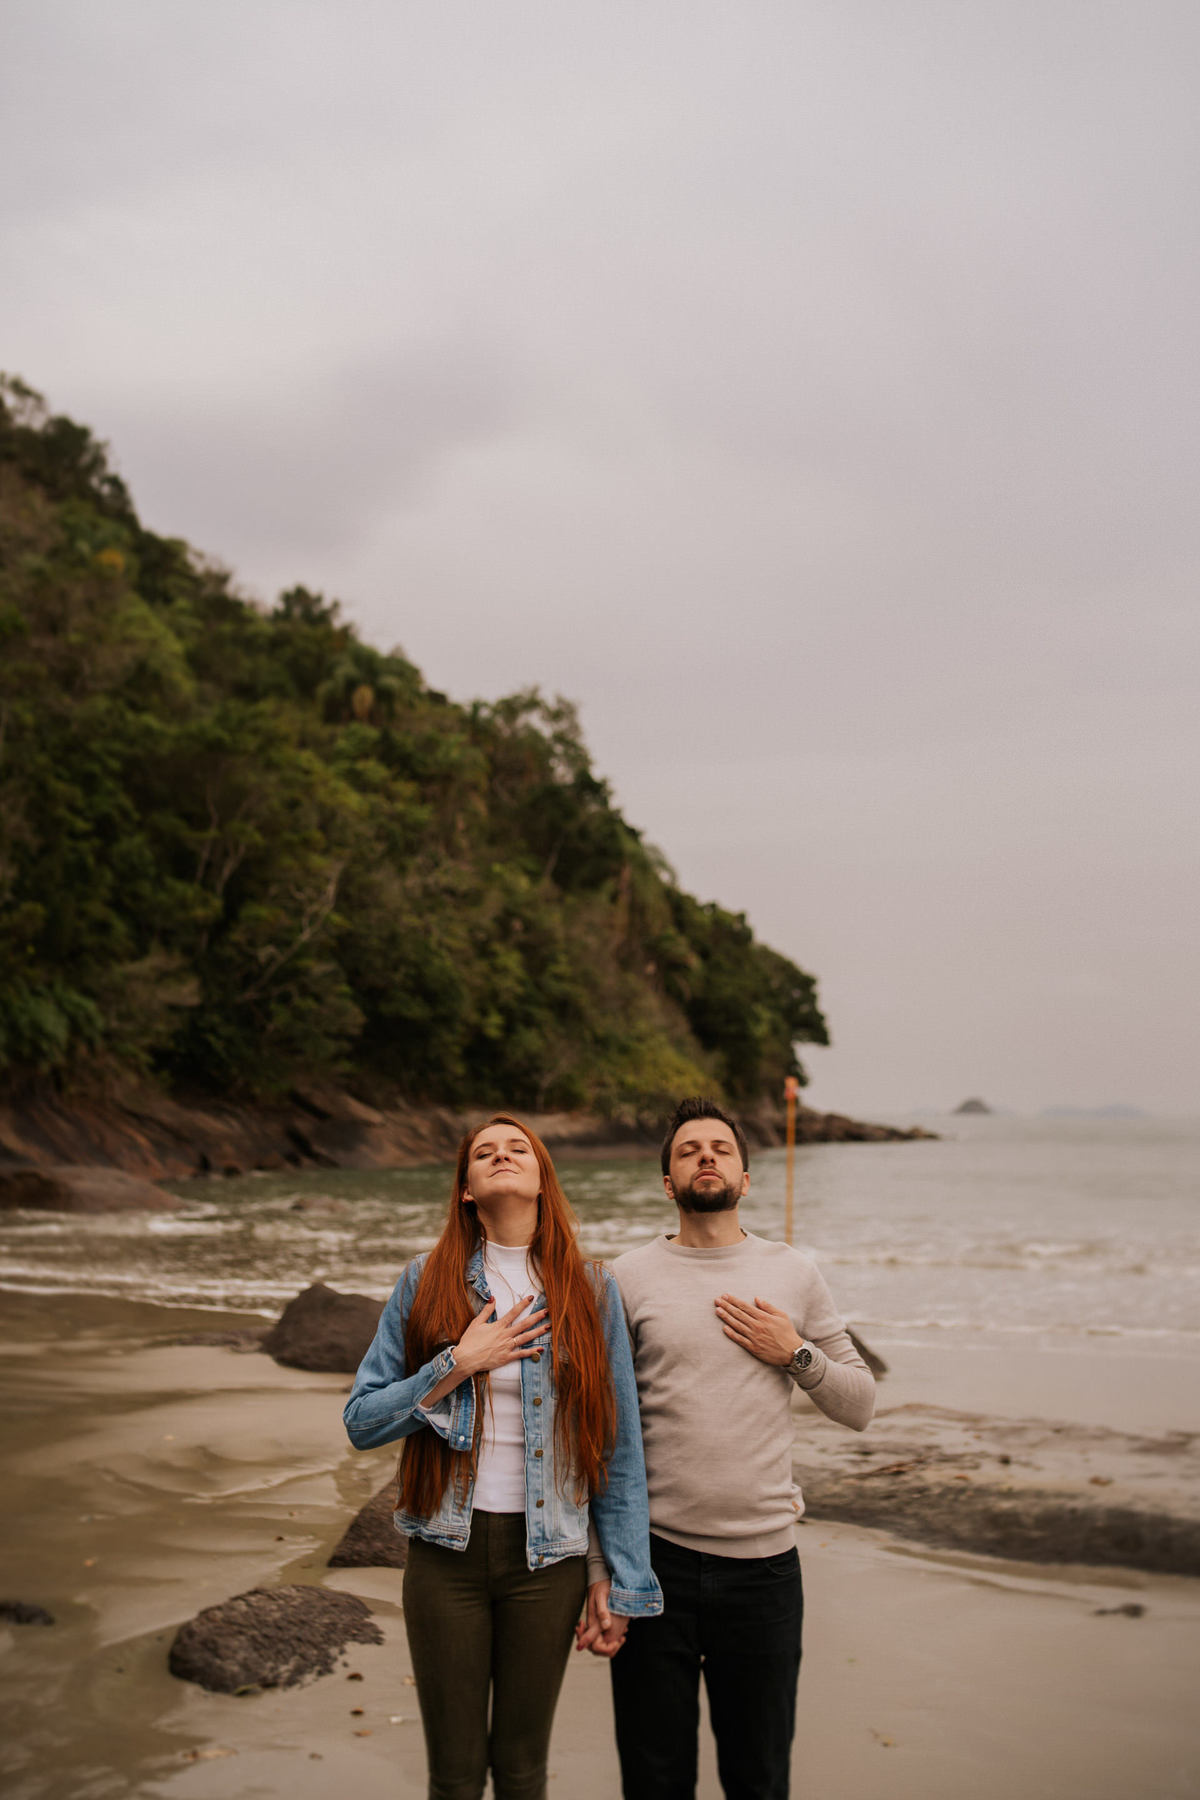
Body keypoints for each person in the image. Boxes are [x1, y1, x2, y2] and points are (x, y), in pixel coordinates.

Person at [344, 1112, 662, 1800]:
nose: (502, 1156)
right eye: (484, 1152)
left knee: (522, 1771)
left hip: (547, 1563)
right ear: (465, 1189)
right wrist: (456, 1363)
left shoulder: (591, 1289)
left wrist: (620, 1577)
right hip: (444, 1558)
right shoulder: (424, 1280)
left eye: (519, 1148)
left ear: (543, 1176)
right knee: (454, 1777)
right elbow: (362, 1423)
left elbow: (617, 1446)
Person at [594, 1095, 875, 1800]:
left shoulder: (793, 1274)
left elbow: (860, 1405)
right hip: (653, 1569)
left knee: (758, 1777)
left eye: (720, 1148)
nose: (706, 1158)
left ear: (746, 1178)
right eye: (689, 1150)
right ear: (668, 1184)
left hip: (764, 1574)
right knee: (654, 1780)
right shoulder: (624, 1279)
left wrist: (796, 1352)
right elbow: (598, 1435)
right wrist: (603, 1568)